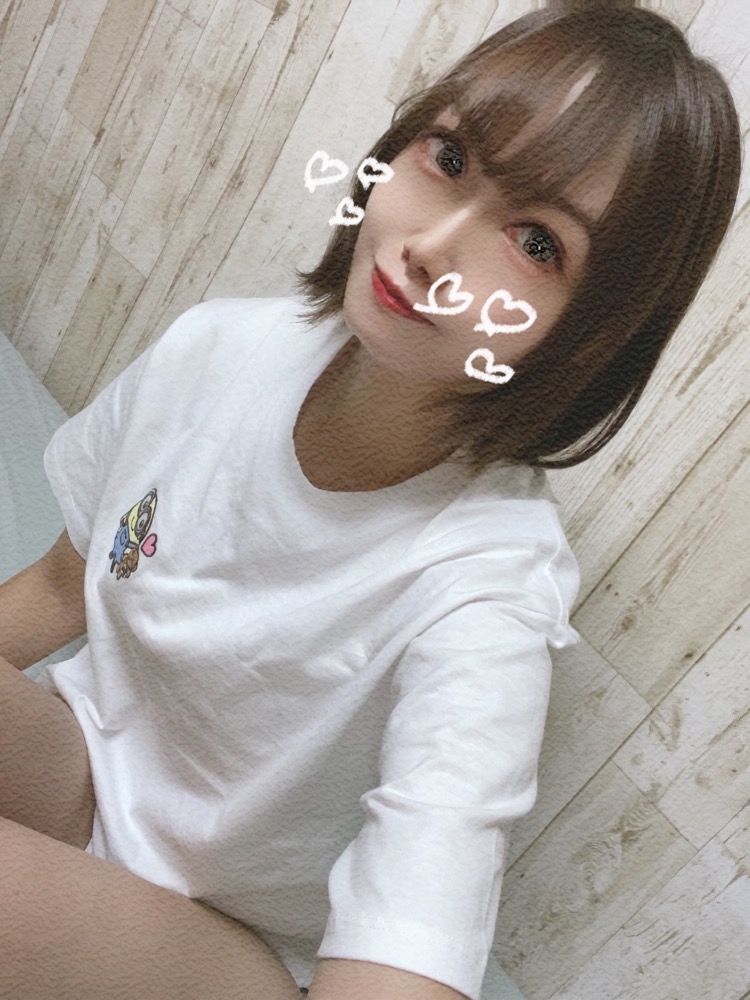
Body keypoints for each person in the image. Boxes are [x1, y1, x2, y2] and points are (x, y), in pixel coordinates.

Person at [0, 4, 741, 999]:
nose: (433, 246)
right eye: (450, 157)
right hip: (80, 768)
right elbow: (64, 583)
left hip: (227, 940)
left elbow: (426, 895)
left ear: (591, 336)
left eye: (535, 241)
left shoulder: (487, 591)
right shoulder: (219, 348)